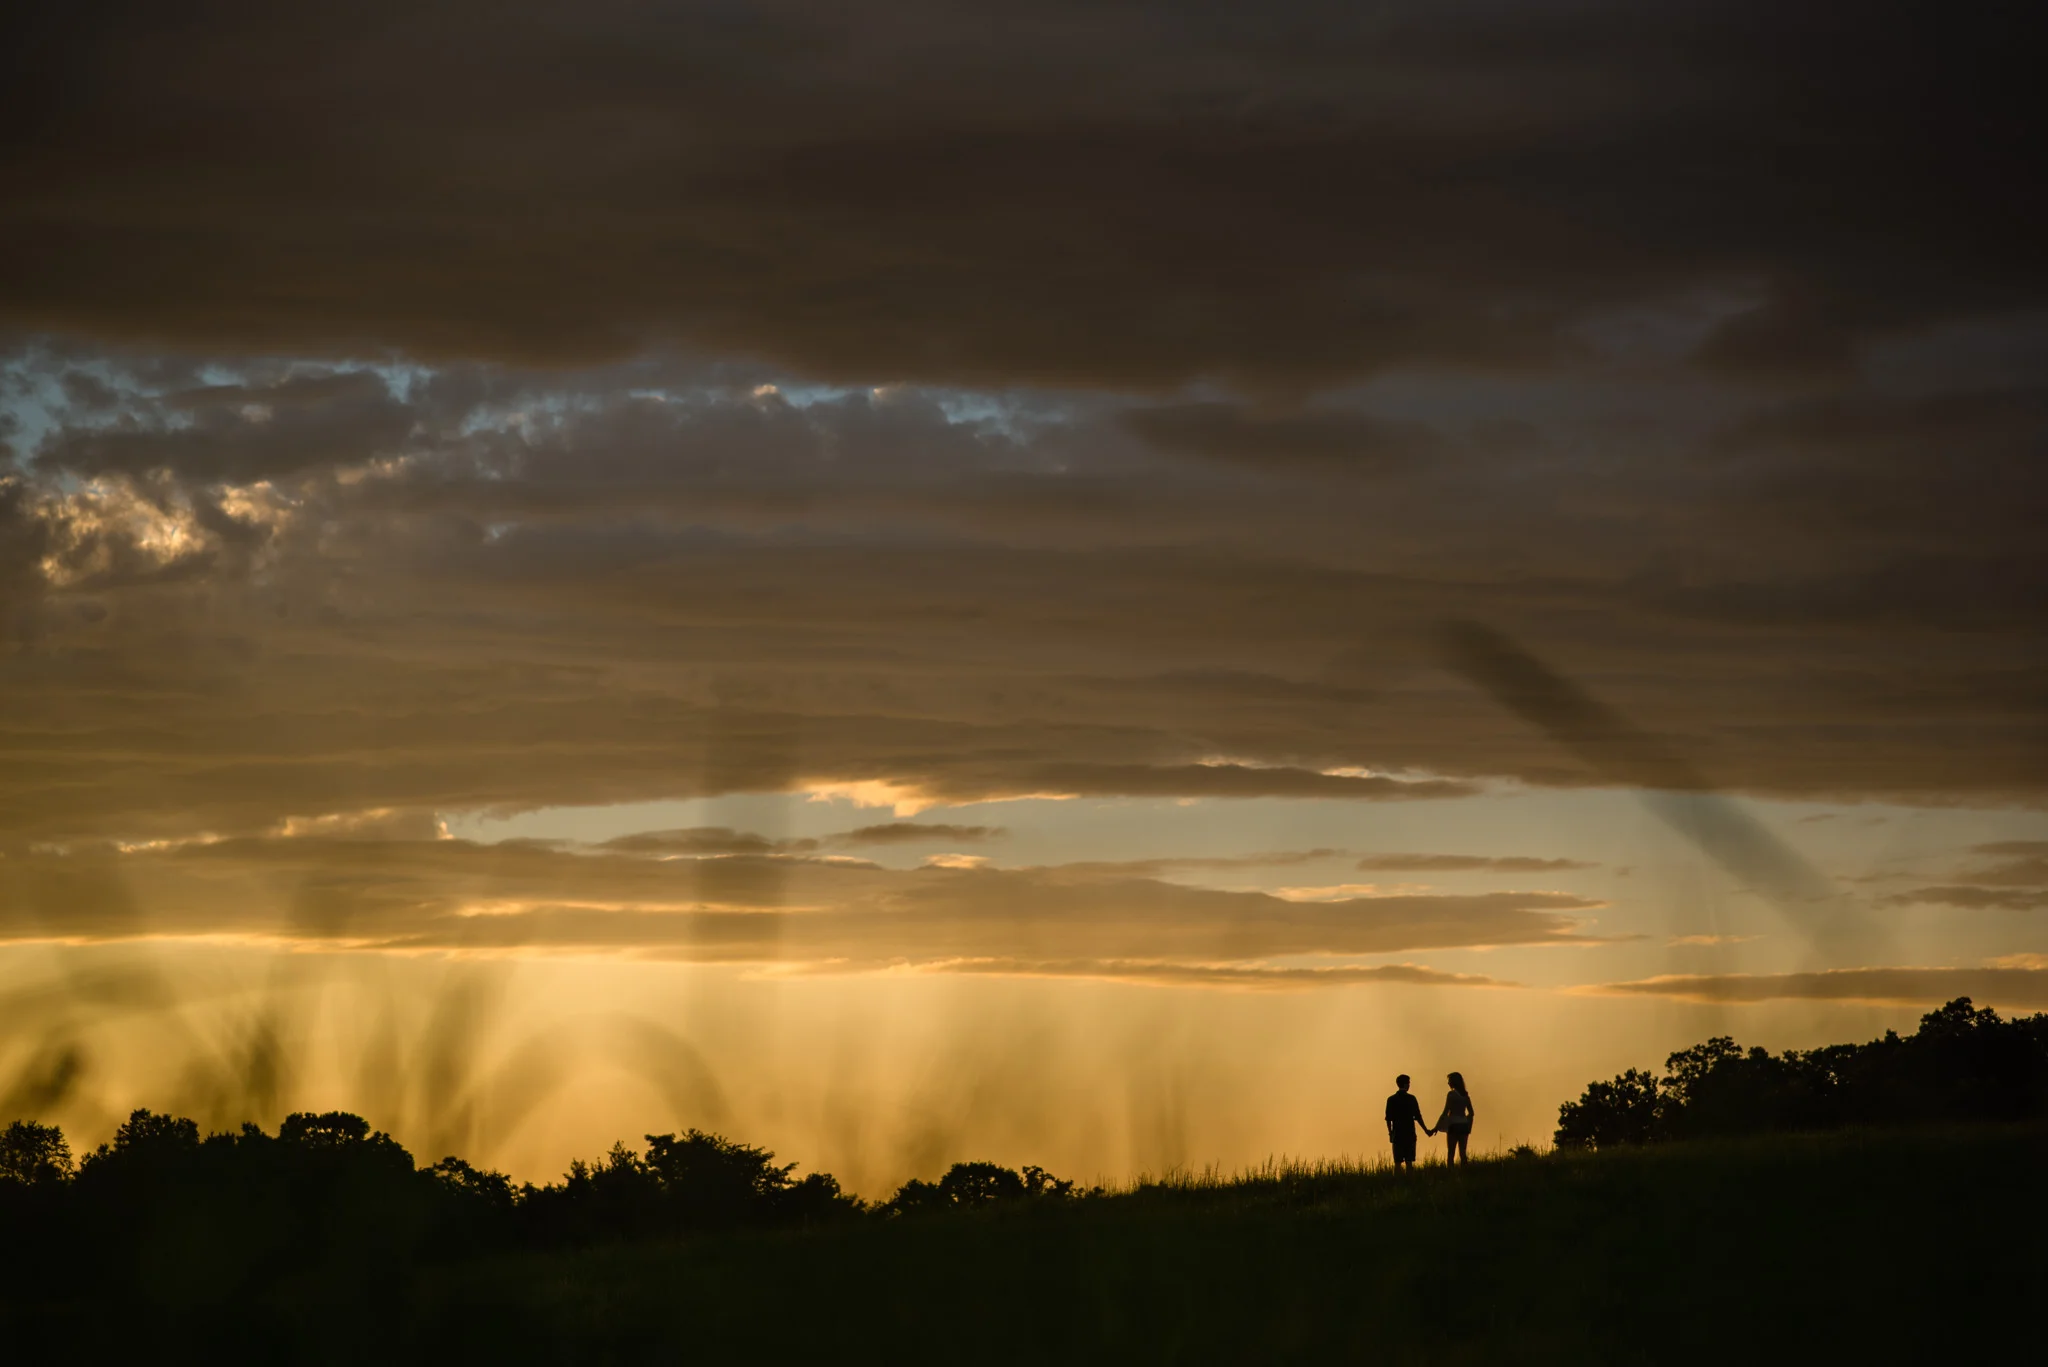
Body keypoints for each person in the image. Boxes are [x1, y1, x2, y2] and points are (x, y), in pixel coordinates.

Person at [1385, 1074, 1428, 1169]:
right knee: (1409, 1161)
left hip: (1397, 1133)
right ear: (1405, 1084)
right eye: (1408, 1083)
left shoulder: (1391, 1099)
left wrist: (1390, 1133)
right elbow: (1418, 1116)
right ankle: (1410, 1182)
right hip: (1409, 1132)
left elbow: (1388, 1119)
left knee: (1397, 1162)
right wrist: (1426, 1130)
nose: (1409, 1085)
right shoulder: (1411, 1099)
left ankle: (1398, 1182)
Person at [1436, 1071, 1475, 1165]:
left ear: (1453, 1082)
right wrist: (1467, 1122)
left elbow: (1445, 1112)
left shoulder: (1451, 1095)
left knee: (1451, 1152)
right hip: (1464, 1125)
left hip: (1454, 1125)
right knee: (1463, 1152)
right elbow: (1471, 1113)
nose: (1448, 1083)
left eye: (1449, 1081)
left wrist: (1436, 1127)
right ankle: (1465, 1172)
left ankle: (1450, 1173)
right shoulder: (1466, 1096)